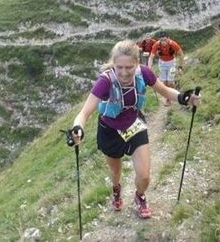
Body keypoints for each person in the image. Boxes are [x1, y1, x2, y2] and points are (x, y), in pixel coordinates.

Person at [71, 40, 200, 219]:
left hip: (134, 125)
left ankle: (139, 196)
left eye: (129, 67)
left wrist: (185, 98)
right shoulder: (105, 81)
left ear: (137, 64)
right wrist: (78, 128)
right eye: (119, 67)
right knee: (116, 172)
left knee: (144, 176)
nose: (124, 72)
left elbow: (165, 91)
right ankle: (116, 189)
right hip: (109, 131)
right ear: (113, 64)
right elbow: (84, 113)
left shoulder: (144, 73)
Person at [148, 31, 185, 106]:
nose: (164, 42)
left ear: (168, 38)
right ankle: (167, 97)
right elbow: (151, 57)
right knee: (163, 82)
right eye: (162, 40)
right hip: (162, 64)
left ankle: (171, 94)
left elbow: (181, 54)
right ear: (159, 39)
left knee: (170, 82)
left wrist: (180, 66)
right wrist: (149, 69)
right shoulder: (157, 45)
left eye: (165, 40)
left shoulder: (173, 44)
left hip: (172, 63)